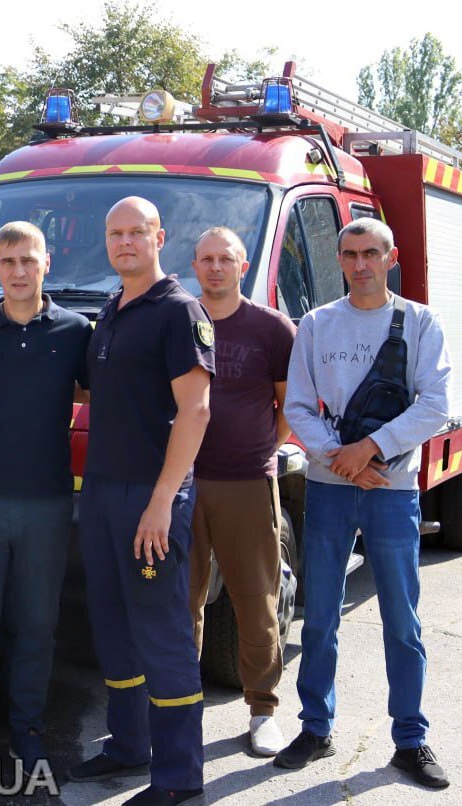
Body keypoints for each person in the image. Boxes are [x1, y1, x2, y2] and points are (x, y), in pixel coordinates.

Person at [276, 218, 451, 788]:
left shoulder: (421, 322)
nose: (359, 265)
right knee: (320, 617)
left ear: (390, 256)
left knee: (402, 622)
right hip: (329, 490)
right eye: (349, 254)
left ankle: (411, 739)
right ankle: (316, 727)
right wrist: (338, 456)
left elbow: (434, 406)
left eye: (370, 253)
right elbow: (298, 407)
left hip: (392, 494)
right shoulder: (317, 324)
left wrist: (368, 451)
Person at [67, 197, 213, 806]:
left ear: (159, 235)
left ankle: (179, 778)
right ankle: (129, 745)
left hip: (151, 496)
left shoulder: (179, 312)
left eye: (136, 232)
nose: (125, 241)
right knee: (113, 622)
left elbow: (196, 409)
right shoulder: (113, 309)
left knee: (161, 631)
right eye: (115, 232)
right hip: (101, 491)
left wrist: (161, 500)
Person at [0, 222, 89, 790]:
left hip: (48, 502)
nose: (18, 271)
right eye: (8, 261)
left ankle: (28, 732)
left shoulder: (76, 331)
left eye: (28, 260)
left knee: (36, 626)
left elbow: (90, 392)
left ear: (46, 264)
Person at [187, 227, 295, 757]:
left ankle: (262, 709)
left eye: (224, 259)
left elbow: (287, 409)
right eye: (205, 259)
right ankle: (178, 709)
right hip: (180, 483)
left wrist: (259, 455)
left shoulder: (272, 328)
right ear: (193, 265)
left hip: (247, 484)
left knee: (256, 601)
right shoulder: (180, 321)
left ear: (243, 265)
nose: (214, 268)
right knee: (179, 602)